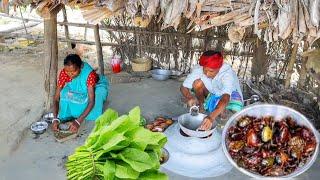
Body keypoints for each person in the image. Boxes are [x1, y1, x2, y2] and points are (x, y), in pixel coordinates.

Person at [180, 50, 243, 131]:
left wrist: (211, 117)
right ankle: (202, 106)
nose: (207, 74)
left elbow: (226, 97)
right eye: (205, 70)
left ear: (219, 68)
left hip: (231, 95)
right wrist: (189, 97)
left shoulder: (227, 73)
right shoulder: (199, 68)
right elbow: (183, 87)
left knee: (224, 114)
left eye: (211, 71)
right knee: (197, 83)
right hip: (213, 93)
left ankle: (213, 108)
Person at [52, 54, 109, 133]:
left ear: (80, 67)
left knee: (99, 94)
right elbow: (56, 98)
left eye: (73, 71)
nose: (70, 74)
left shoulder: (90, 74)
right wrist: (55, 118)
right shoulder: (65, 73)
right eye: (67, 71)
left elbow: (91, 101)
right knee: (64, 93)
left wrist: (78, 121)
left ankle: (83, 115)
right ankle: (70, 114)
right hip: (76, 87)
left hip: (93, 87)